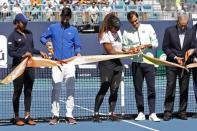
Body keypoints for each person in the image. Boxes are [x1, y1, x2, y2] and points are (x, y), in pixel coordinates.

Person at [40, 7, 81, 125]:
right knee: (56, 89)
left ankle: (69, 115)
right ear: (61, 15)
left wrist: (78, 53)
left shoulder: (74, 30)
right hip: (56, 63)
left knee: (70, 89)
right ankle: (55, 115)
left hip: (70, 63)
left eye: (67, 18)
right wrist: (46, 42)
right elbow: (42, 37)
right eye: (63, 18)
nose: (65, 20)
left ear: (70, 18)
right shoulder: (53, 27)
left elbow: (77, 45)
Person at [8, 13, 47, 126]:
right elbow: (11, 52)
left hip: (30, 67)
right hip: (18, 67)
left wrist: (39, 52)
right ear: (17, 23)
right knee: (17, 92)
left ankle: (27, 116)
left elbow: (31, 49)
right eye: (23, 22)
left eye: (26, 22)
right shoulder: (12, 36)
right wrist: (23, 54)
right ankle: (16, 117)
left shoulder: (29, 33)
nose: (25, 23)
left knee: (28, 91)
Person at [92, 13, 132, 122]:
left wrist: (128, 51)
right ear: (110, 26)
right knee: (104, 88)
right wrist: (125, 54)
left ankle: (111, 113)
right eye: (115, 27)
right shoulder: (104, 34)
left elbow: (122, 48)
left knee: (114, 89)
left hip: (117, 63)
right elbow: (111, 52)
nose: (117, 29)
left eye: (118, 27)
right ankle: (96, 114)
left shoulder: (119, 32)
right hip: (106, 63)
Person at [122, 11, 160, 122]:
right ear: (129, 22)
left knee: (151, 88)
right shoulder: (126, 32)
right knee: (138, 89)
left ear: (138, 18)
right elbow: (124, 48)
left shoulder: (148, 27)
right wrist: (131, 50)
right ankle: (141, 113)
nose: (135, 23)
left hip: (149, 62)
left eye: (136, 20)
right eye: (132, 22)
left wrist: (145, 45)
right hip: (136, 63)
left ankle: (152, 113)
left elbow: (155, 43)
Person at [162, 12, 195, 121]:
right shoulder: (169, 31)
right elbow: (165, 47)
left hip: (185, 65)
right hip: (172, 63)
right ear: (177, 21)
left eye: (185, 24)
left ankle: (182, 112)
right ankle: (168, 112)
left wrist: (192, 50)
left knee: (184, 88)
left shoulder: (191, 31)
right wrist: (175, 57)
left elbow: (194, 46)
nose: (184, 26)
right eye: (182, 24)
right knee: (170, 87)